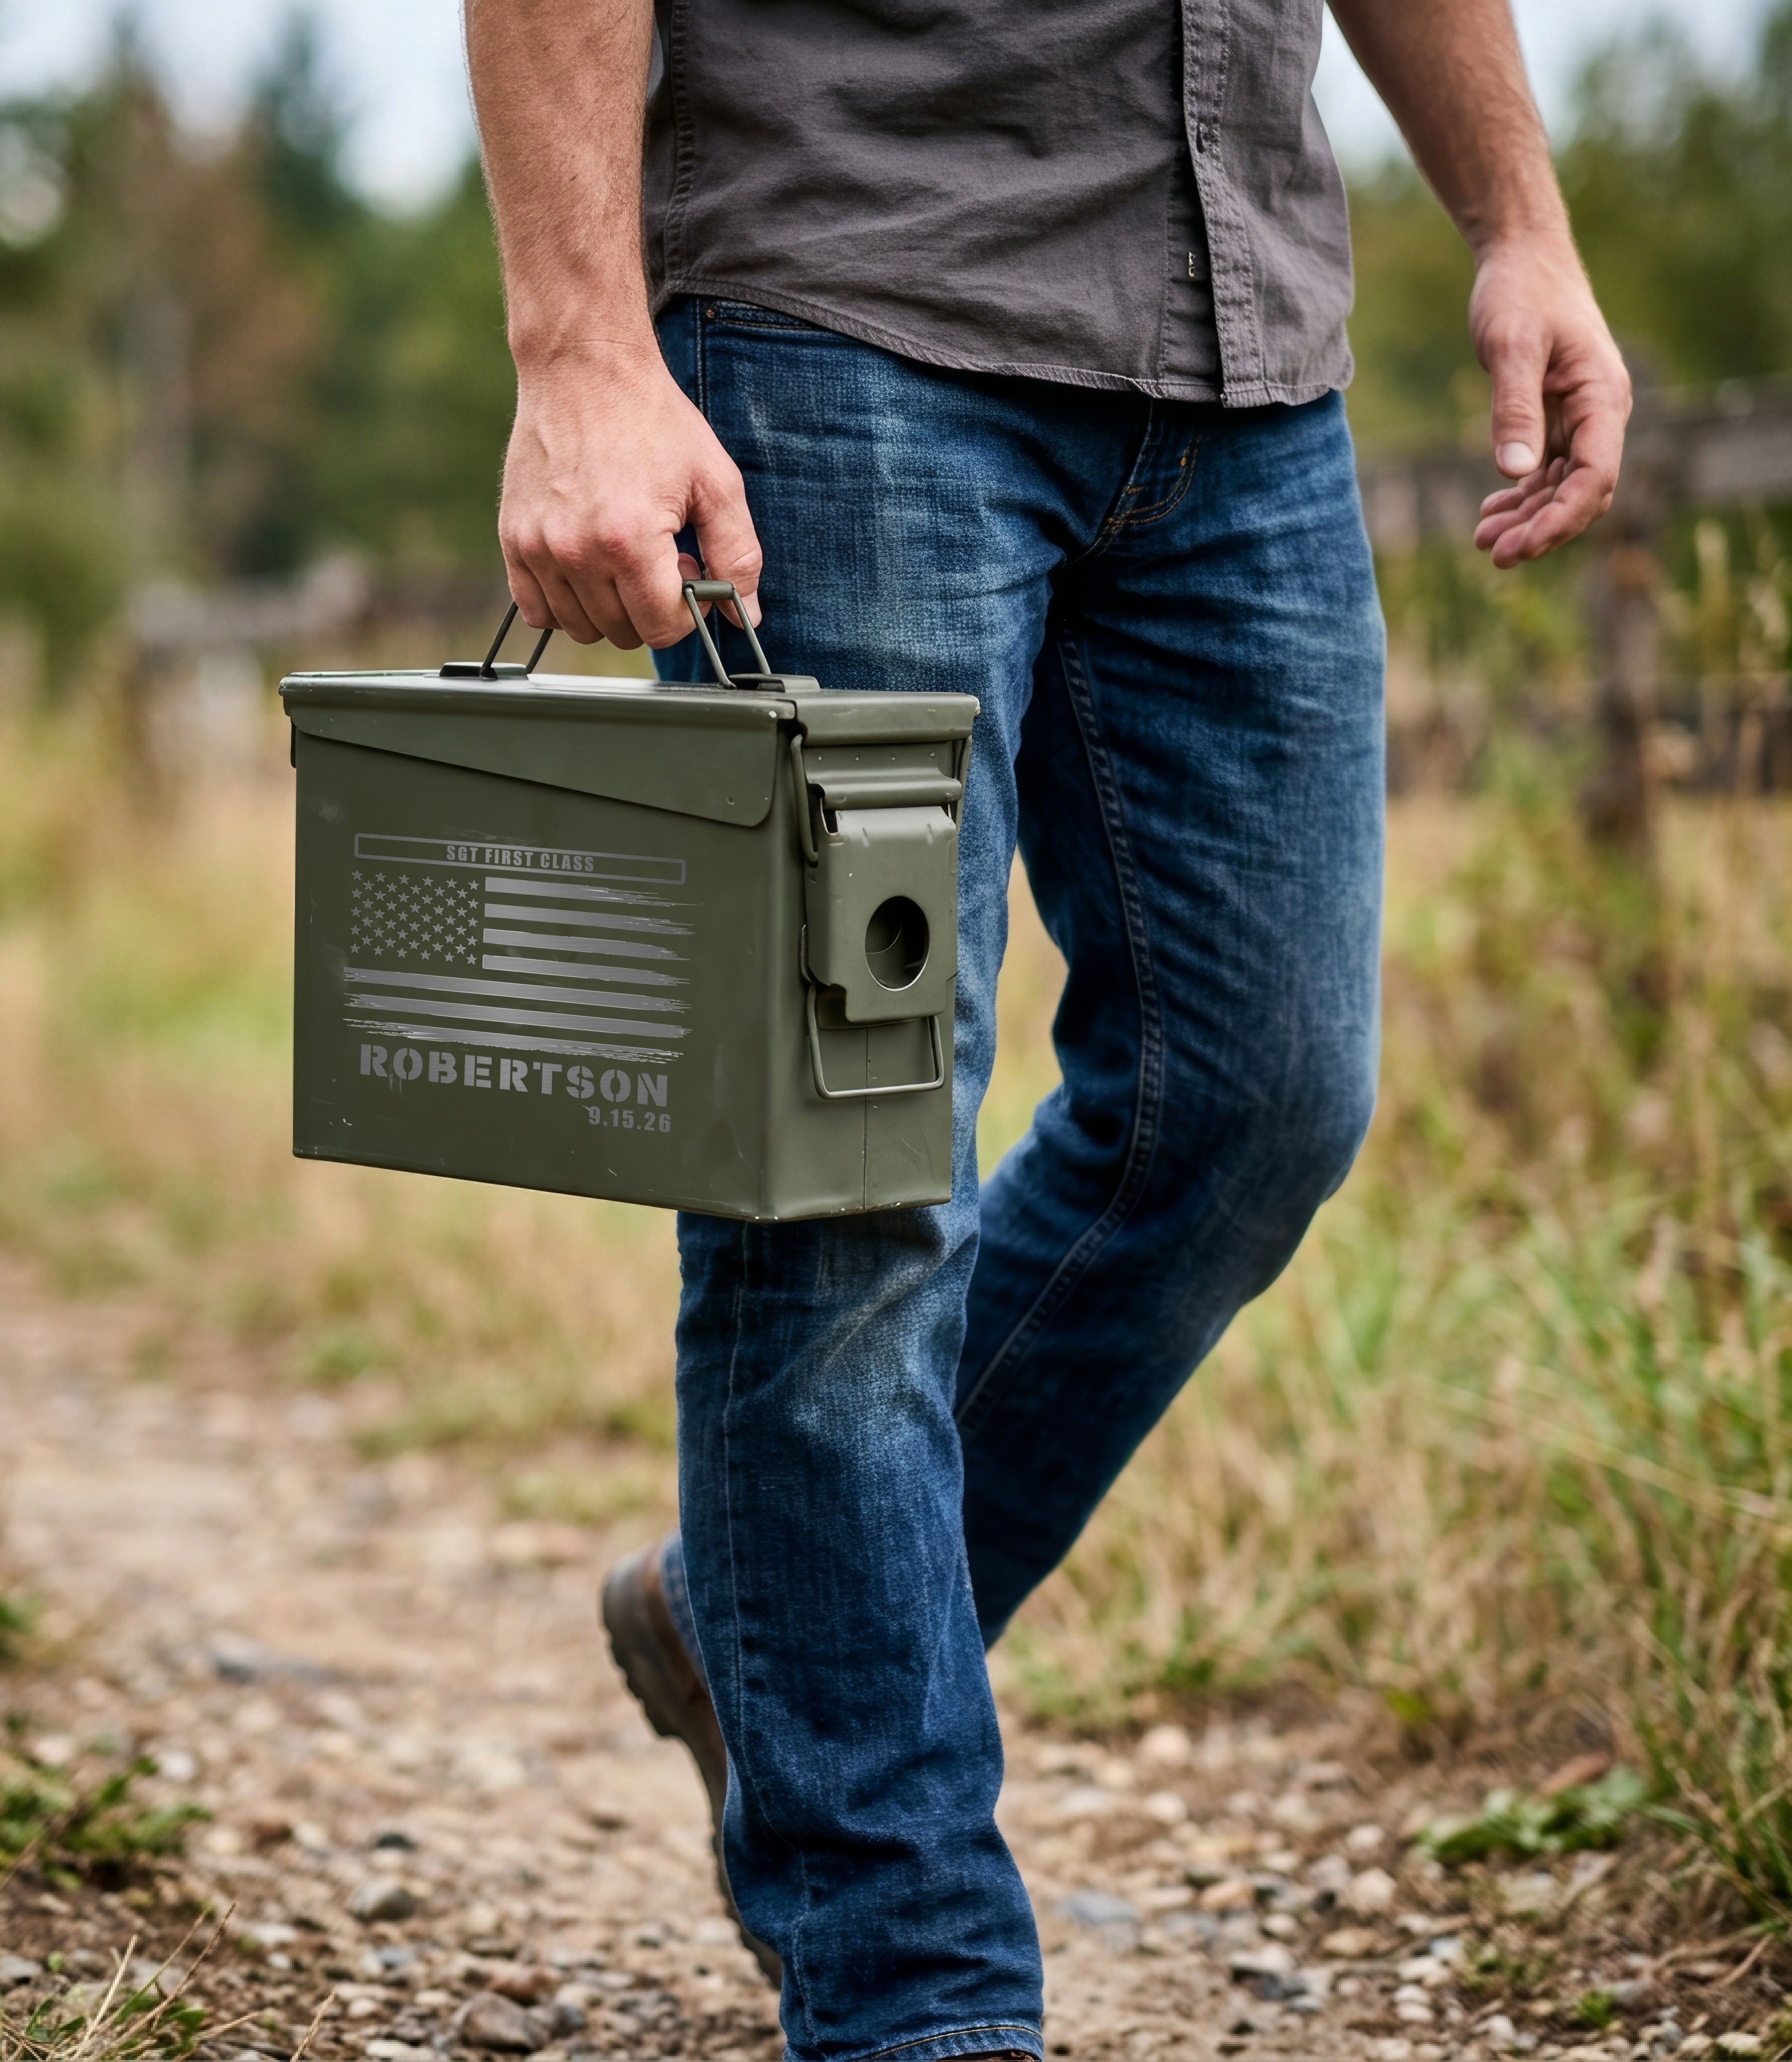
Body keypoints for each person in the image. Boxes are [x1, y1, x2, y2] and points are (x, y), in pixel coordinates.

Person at [464, 0, 1630, 2055]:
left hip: (1240, 342)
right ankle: (914, 1996)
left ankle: (759, 1645)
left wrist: (1515, 215)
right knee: (839, 1191)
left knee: (1256, 1098)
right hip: (846, 315)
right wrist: (577, 344)